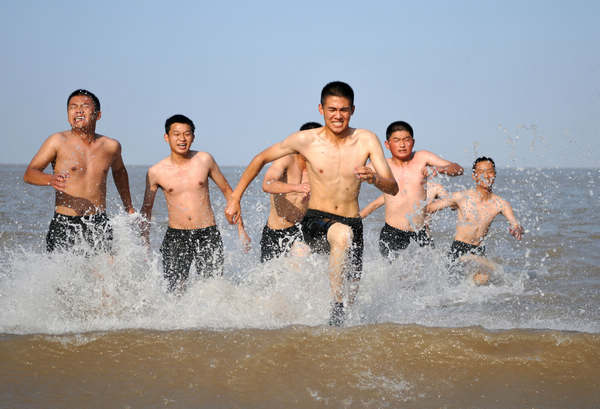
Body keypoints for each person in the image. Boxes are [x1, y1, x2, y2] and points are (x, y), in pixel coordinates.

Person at [225, 81, 398, 326]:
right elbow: (261, 158)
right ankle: (335, 312)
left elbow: (393, 187)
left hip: (352, 219)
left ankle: (333, 328)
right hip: (317, 219)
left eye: (344, 110)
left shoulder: (366, 140)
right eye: (332, 110)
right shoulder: (306, 140)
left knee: (353, 291)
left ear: (353, 110)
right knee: (342, 236)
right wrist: (235, 197)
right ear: (321, 109)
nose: (338, 116)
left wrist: (375, 179)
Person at [140, 114, 250, 293]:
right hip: (176, 237)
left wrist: (241, 230)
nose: (182, 139)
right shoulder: (156, 172)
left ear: (193, 136)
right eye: (176, 134)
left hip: (207, 233)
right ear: (166, 137)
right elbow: (146, 210)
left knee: (213, 288)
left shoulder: (204, 160)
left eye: (187, 134)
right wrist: (145, 242)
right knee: (175, 290)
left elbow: (230, 194)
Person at [23, 89, 134, 254]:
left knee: (104, 275)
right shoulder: (57, 141)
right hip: (64, 222)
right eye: (72, 107)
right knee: (62, 278)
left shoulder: (111, 146)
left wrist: (129, 207)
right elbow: (29, 173)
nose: (78, 110)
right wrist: (50, 179)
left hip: (98, 221)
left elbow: (119, 173)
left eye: (85, 106)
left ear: (98, 115)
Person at [359, 121, 463, 261]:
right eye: (396, 140)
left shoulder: (422, 157)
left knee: (430, 274)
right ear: (387, 144)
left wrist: (439, 169)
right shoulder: (383, 165)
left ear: (413, 142)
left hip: (419, 232)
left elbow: (457, 169)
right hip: (392, 232)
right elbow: (354, 177)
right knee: (392, 278)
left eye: (406, 140)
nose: (402, 145)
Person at [425, 157, 524, 285]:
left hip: (478, 250)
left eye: (489, 171)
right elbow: (428, 209)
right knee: (456, 284)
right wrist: (431, 193)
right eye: (481, 172)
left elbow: (515, 223)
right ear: (474, 176)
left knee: (479, 284)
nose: (486, 176)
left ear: (494, 174)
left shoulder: (500, 203)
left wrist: (517, 228)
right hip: (458, 249)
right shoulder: (462, 197)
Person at [260, 121, 321, 263]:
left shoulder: (320, 168)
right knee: (269, 280)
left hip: (300, 229)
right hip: (274, 231)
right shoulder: (286, 159)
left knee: (301, 262)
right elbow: (267, 184)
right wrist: (297, 188)